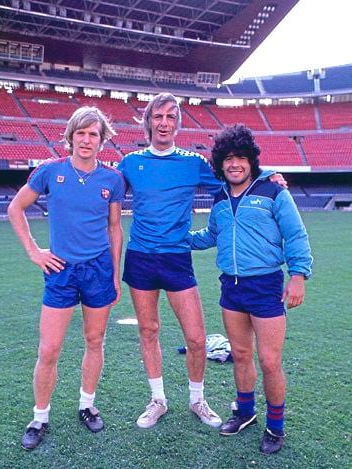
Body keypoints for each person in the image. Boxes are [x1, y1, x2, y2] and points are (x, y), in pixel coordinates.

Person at [117, 93, 285, 430]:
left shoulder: (192, 163)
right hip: (140, 258)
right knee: (149, 331)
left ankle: (197, 399)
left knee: (196, 338)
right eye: (158, 116)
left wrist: (270, 175)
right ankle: (158, 400)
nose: (164, 122)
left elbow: (235, 176)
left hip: (177, 258)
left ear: (178, 122)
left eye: (171, 116)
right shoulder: (130, 162)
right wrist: (58, 164)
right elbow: (100, 186)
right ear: (148, 121)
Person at [189, 124, 312, 454]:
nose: (234, 164)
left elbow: (295, 235)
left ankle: (276, 426)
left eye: (241, 158)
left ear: (251, 160)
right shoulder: (219, 197)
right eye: (228, 158)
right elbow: (212, 236)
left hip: (266, 285)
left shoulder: (273, 190)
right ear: (220, 164)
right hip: (231, 287)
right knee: (241, 355)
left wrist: (298, 275)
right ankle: (244, 413)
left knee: (269, 360)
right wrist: (180, 238)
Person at [8, 106, 124, 450]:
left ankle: (87, 405)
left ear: (102, 140)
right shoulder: (49, 172)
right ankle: (40, 416)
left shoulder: (112, 179)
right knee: (49, 348)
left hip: (99, 270)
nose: (86, 140)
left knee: (94, 341)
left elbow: (115, 228)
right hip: (61, 271)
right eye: (81, 133)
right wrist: (34, 251)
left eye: (93, 134)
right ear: (71, 136)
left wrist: (114, 275)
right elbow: (15, 208)